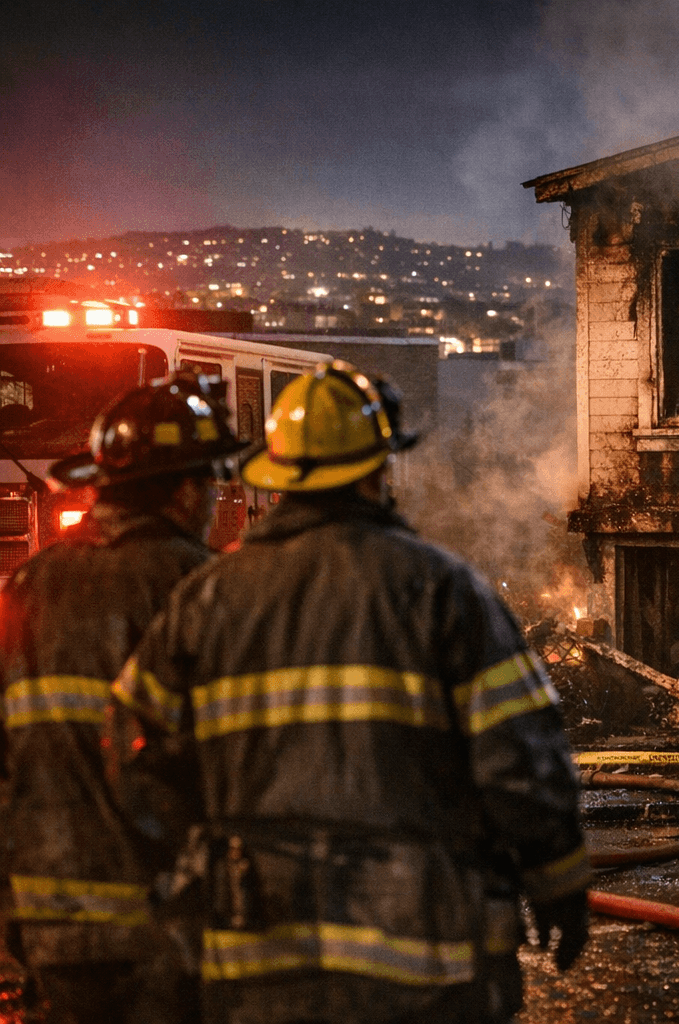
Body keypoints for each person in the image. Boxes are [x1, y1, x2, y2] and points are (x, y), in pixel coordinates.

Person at [110, 361, 590, 1024]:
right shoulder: (440, 590)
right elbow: (522, 761)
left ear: (279, 474)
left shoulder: (206, 599)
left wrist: (206, 858)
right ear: (377, 469)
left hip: (257, 959)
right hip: (421, 960)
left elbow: (134, 752)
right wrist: (559, 886)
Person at [0, 373, 245, 1024]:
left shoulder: (25, 586)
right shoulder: (201, 588)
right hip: (174, 922)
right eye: (213, 483)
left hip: (49, 926)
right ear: (188, 490)